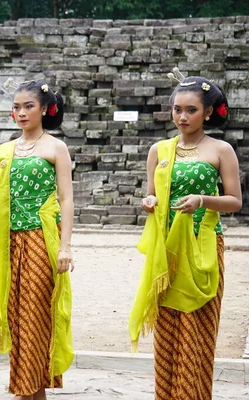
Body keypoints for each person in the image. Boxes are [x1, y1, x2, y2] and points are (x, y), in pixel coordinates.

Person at [129, 68, 242, 399]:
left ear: (207, 112)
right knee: (167, 335)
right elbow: (151, 195)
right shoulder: (159, 151)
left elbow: (235, 201)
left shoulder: (221, 150)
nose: (182, 116)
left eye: (191, 110)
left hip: (203, 247)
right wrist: (149, 202)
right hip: (167, 254)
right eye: (177, 109)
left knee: (197, 333)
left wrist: (203, 200)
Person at [0, 80, 75, 400]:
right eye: (16, 107)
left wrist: (66, 247)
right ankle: (27, 388)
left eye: (28, 106)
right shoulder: (5, 151)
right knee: (15, 315)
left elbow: (67, 200)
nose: (21, 112)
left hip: (42, 242)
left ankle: (31, 390)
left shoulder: (55, 148)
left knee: (36, 313)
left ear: (45, 108)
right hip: (8, 243)